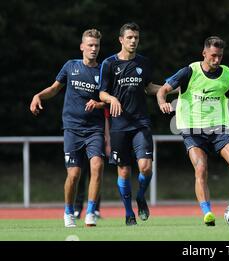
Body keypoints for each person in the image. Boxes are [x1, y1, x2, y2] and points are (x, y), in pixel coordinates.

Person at [157, 36, 229, 226]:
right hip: (192, 131)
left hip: (218, 129)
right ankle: (207, 213)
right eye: (212, 56)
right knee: (200, 169)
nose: (216, 60)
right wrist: (163, 103)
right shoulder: (189, 72)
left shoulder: (227, 75)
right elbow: (163, 90)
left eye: (220, 56)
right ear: (204, 53)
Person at [29, 29, 105, 227]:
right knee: (74, 175)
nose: (93, 49)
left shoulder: (104, 71)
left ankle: (90, 212)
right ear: (82, 47)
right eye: (90, 45)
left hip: (94, 129)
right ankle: (69, 212)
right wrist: (38, 95)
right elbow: (54, 89)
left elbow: (111, 101)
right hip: (72, 129)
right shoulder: (71, 66)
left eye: (96, 45)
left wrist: (98, 104)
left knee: (97, 166)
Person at [99, 22, 161, 226]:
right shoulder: (109, 63)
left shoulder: (144, 62)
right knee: (124, 171)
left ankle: (141, 197)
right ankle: (128, 214)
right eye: (129, 37)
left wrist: (174, 89)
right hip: (119, 125)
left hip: (140, 122)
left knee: (145, 167)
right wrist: (112, 99)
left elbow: (149, 87)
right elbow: (102, 92)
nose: (133, 40)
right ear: (121, 40)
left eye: (136, 37)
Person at [74, 108, 110, 219]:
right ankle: (77, 209)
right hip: (80, 139)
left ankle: (95, 209)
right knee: (80, 175)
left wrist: (108, 141)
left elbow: (106, 120)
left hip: (96, 139)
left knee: (96, 175)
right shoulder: (78, 100)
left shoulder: (100, 99)